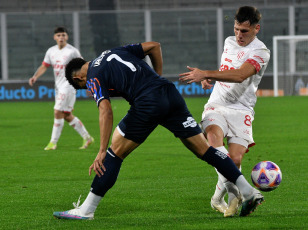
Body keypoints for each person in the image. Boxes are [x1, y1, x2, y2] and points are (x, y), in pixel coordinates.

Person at [52, 41, 264, 220]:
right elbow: (154, 46)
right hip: (168, 92)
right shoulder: (113, 52)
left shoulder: (93, 76)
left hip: (147, 103)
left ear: (79, 79)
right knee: (205, 150)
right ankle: (247, 190)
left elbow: (105, 110)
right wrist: (156, 76)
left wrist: (100, 150)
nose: (88, 89)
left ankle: (86, 210)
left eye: (84, 88)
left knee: (114, 152)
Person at [179, 6, 270, 217]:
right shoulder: (229, 42)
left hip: (242, 109)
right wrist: (210, 78)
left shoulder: (261, 52)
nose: (239, 35)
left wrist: (206, 73)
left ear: (257, 28)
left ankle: (221, 198)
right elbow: (227, 69)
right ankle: (242, 193)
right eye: (237, 29)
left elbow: (239, 75)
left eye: (244, 31)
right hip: (217, 105)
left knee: (235, 160)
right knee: (214, 143)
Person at [29, 26, 94, 150]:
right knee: (66, 114)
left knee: (57, 111)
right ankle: (87, 138)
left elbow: (83, 66)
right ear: (54, 37)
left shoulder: (72, 51)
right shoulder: (51, 51)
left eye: (63, 35)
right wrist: (35, 76)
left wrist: (87, 84)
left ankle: (53, 142)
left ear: (67, 37)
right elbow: (44, 66)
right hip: (58, 86)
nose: (61, 38)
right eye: (58, 35)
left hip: (68, 85)